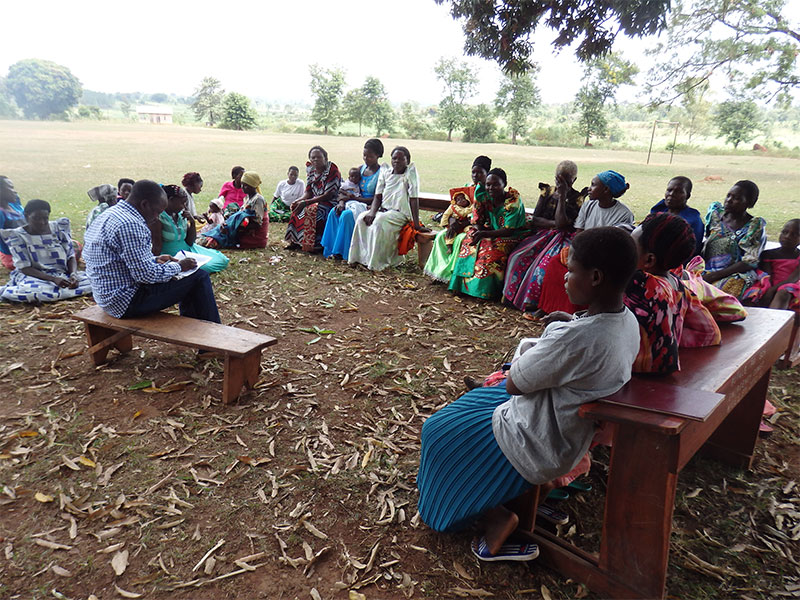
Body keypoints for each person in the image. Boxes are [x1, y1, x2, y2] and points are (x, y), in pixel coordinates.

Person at [417, 227, 640, 561]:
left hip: (534, 438)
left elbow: (515, 384)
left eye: (571, 270)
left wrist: (555, 335)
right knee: (473, 404)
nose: (565, 277)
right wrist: (569, 323)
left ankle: (494, 519)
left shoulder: (575, 339)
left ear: (595, 277)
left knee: (437, 433)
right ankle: (533, 493)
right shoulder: (627, 322)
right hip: (565, 432)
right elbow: (585, 345)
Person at [83, 179, 220, 323]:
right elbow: (146, 275)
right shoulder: (131, 225)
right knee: (199, 277)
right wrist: (179, 266)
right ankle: (212, 332)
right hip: (125, 301)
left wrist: (154, 260)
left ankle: (193, 326)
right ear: (144, 204)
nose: (156, 218)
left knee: (187, 281)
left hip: (105, 296)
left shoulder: (110, 214)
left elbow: (121, 259)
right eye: (157, 212)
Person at [535, 169, 635, 317]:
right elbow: (579, 233)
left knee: (579, 274)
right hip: (584, 249)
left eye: (593, 185)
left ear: (606, 190)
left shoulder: (624, 214)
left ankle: (571, 313)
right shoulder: (588, 205)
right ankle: (547, 307)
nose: (589, 188)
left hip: (604, 258)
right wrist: (576, 252)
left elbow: (615, 244)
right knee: (555, 264)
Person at [503, 160, 588, 314]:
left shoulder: (577, 198)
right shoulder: (547, 192)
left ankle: (532, 303)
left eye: (566, 180)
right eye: (558, 179)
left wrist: (562, 197)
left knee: (542, 267)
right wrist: (555, 224)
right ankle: (511, 297)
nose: (561, 183)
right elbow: (535, 219)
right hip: (542, 234)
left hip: (563, 239)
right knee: (517, 256)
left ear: (574, 180)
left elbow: (563, 225)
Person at [623, 213, 700, 374]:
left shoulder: (640, 284)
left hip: (635, 375)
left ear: (649, 260)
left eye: (630, 247)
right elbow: (710, 331)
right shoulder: (678, 285)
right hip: (664, 370)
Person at [448, 168, 526, 299]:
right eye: (488, 184)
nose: (491, 188)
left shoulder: (513, 201)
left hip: (511, 234)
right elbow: (476, 218)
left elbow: (509, 229)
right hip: (488, 230)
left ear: (505, 184)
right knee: (469, 243)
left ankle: (482, 291)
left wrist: (484, 234)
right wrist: (479, 231)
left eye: (496, 184)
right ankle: (459, 285)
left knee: (492, 252)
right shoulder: (482, 194)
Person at [348, 146, 429, 271]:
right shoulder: (385, 172)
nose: (397, 161)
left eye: (401, 159)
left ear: (407, 161)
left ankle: (376, 262)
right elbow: (378, 196)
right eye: (394, 158)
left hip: (400, 214)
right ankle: (358, 258)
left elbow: (414, 199)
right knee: (361, 218)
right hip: (384, 210)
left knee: (379, 222)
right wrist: (372, 212)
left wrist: (416, 224)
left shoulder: (409, 174)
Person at [0, 199, 91, 304]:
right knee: (34, 292)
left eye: (45, 218)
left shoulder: (59, 228)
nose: (42, 222)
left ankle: (60, 292)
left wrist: (73, 275)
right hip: (34, 276)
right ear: (26, 216)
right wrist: (52, 279)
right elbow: (25, 268)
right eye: (36, 218)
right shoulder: (18, 236)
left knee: (96, 281)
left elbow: (70, 256)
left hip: (62, 274)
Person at [424, 156, 491, 282]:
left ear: (487, 173)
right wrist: (452, 221)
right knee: (441, 236)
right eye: (473, 172)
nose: (475, 175)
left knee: (460, 239)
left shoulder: (488, 191)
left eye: (480, 172)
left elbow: (485, 216)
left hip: (475, 226)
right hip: (458, 223)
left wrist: (462, 224)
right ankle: (438, 273)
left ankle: (452, 276)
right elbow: (453, 207)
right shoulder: (467, 187)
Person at [321, 139, 386, 260]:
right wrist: (341, 202)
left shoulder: (381, 173)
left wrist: (357, 199)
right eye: (364, 155)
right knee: (334, 212)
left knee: (347, 216)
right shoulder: (360, 169)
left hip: (369, 205)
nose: (366, 159)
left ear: (378, 155)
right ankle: (331, 249)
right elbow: (346, 187)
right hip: (352, 202)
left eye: (370, 156)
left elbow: (379, 197)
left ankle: (344, 252)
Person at [702, 180, 767, 299]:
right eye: (728, 195)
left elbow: (749, 261)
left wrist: (713, 276)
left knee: (725, 290)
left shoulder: (754, 227)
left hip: (734, 273)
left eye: (736, 198)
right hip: (706, 268)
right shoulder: (716, 216)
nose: (729, 200)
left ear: (749, 203)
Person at [150, 185, 229, 273]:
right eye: (182, 203)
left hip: (188, 249)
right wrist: (154, 265)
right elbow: (156, 247)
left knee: (222, 260)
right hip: (172, 255)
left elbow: (190, 242)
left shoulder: (180, 215)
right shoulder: (159, 218)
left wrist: (192, 222)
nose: (184, 206)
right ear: (171, 200)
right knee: (207, 267)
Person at [285, 146, 341, 253]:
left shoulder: (332, 170)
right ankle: (296, 241)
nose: (315, 160)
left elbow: (329, 195)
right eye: (313, 157)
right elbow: (308, 192)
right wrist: (299, 201)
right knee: (297, 208)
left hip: (329, 202)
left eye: (319, 157)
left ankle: (316, 244)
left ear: (325, 158)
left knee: (316, 212)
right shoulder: (311, 170)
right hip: (314, 200)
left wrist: (306, 202)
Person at [199, 172, 269, 249]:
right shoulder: (247, 198)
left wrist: (232, 229)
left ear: (253, 186)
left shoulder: (258, 200)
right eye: (242, 184)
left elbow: (257, 224)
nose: (242, 187)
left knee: (218, 238)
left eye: (245, 185)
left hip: (254, 236)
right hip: (243, 229)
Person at [745, 219, 800, 310]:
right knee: (753, 293)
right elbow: (766, 276)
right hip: (769, 285)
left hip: (790, 287)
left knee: (783, 292)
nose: (787, 236)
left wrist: (772, 290)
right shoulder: (768, 254)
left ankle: (773, 317)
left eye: (794, 235)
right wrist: (768, 289)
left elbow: (792, 279)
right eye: (784, 232)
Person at [649, 176, 704, 256]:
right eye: (669, 190)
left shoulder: (692, 220)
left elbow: (691, 251)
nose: (671, 194)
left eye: (678, 192)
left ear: (687, 196)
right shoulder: (658, 211)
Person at [0, 176, 27, 269]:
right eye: (11, 188)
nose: (15, 192)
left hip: (29, 245)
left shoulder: (15, 204)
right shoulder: (1, 213)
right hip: (13, 254)